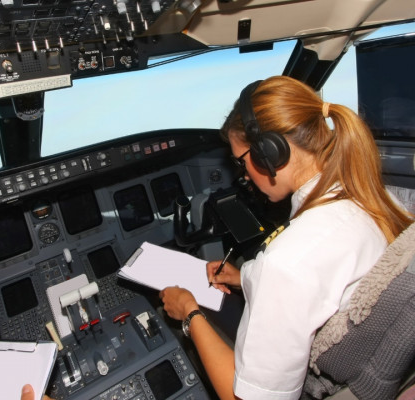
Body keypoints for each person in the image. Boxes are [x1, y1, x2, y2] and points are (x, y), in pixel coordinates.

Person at [158, 76, 412, 400]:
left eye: (242, 161)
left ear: (270, 152)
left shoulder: (286, 263)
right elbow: (319, 277)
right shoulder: (374, 200)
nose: (244, 175)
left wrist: (189, 313)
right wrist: (244, 277)